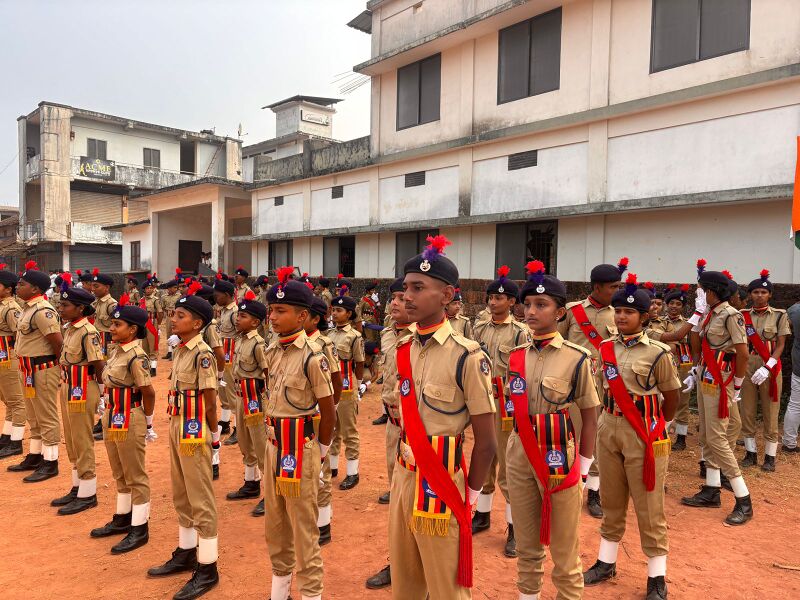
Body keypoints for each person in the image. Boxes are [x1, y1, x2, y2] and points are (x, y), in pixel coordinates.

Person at [389, 234, 496, 600]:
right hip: (404, 475)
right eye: (405, 288)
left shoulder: (468, 357)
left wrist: (469, 494)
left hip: (442, 481)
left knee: (446, 586)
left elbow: (487, 441)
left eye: (418, 288)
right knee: (405, 581)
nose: (407, 296)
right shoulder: (404, 349)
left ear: (447, 296)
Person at [583, 274, 680, 600]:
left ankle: (657, 578)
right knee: (611, 500)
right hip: (609, 427)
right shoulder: (605, 348)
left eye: (629, 311)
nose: (622, 316)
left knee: (649, 508)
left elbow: (672, 397)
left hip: (644, 433)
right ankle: (606, 562)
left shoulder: (658, 353)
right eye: (618, 311)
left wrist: (658, 425)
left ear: (645, 316)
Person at [507, 261, 599, 600]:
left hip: (560, 458)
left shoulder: (577, 358)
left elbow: (590, 416)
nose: (531, 311)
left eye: (541, 305)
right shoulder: (516, 356)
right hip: (519, 453)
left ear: (560, 312)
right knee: (527, 547)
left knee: (564, 551)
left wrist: (585, 468)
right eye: (528, 304)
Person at [263, 268, 335, 600]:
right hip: (274, 446)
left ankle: (310, 595)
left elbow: (328, 408)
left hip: (300, 448)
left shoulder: (313, 357)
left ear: (303, 315)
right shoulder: (273, 350)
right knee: (275, 527)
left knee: (304, 533)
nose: (273, 317)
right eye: (271, 310)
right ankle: (279, 593)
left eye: (281, 311)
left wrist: (319, 451)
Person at [147, 294, 220, 600]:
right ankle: (187, 551)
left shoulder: (202, 354)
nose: (172, 319)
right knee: (181, 492)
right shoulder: (180, 349)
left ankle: (208, 567)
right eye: (173, 313)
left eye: (179, 315)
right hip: (178, 422)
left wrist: (214, 438)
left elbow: (210, 400)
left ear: (197, 323)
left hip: (194, 428)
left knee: (200, 497)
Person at [681, 264, 753, 526]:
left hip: (721, 377)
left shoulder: (731, 315)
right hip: (707, 376)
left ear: (713, 292)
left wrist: (737, 384)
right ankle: (712, 490)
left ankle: (743, 499)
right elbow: (696, 339)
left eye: (703, 291)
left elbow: (742, 352)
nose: (700, 294)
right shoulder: (711, 313)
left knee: (717, 436)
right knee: (706, 435)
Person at [557, 258, 627, 519]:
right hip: (574, 384)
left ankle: (593, 491)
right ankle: (565, 484)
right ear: (597, 287)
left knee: (598, 438)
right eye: (613, 287)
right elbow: (558, 342)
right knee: (571, 433)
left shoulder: (619, 313)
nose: (618, 292)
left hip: (606, 385)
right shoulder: (572, 311)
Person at [471, 265, 530, 557]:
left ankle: (514, 528)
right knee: (484, 459)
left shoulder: (520, 333)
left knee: (508, 466)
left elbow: (524, 372)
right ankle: (482, 516)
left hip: (507, 405)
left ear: (512, 303)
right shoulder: (477, 327)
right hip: (482, 403)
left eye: (501, 298)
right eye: (491, 297)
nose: (494, 302)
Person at [90, 296, 156, 554]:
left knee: (135, 474)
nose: (111, 328)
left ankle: (140, 527)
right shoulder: (116, 351)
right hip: (112, 416)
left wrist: (148, 423)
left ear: (133, 330)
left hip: (130, 416)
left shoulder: (136, 357)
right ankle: (122, 517)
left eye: (117, 325)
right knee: (119, 471)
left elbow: (148, 392)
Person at [366, 276, 413, 591]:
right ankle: (400, 561)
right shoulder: (388, 336)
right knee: (398, 498)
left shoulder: (425, 339)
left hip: (423, 432)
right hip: (395, 425)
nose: (395, 303)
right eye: (392, 297)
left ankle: (416, 564)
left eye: (402, 296)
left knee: (418, 501)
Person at [51, 281, 105, 515]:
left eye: (65, 305)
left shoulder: (88, 332)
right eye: (60, 305)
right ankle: (77, 486)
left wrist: (102, 393)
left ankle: (88, 492)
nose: (60, 309)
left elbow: (98, 364)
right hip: (68, 385)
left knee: (82, 439)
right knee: (72, 439)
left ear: (81, 308)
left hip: (83, 387)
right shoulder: (70, 328)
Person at [7, 261, 63, 482]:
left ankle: (50, 462)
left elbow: (57, 343)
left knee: (47, 415)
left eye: (22, 284)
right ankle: (35, 454)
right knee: (33, 414)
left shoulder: (43, 310)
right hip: (28, 368)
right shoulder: (28, 307)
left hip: (43, 368)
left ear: (36, 289)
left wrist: (58, 370)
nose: (17, 287)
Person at [739, 270, 789, 472]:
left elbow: (781, 344)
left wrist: (768, 366)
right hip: (747, 365)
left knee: (771, 411)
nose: (759, 295)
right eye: (756, 292)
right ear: (750, 295)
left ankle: (770, 456)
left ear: (769, 295)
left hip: (770, 366)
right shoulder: (742, 316)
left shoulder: (779, 315)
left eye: (763, 292)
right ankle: (750, 453)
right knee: (747, 410)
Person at [225, 290, 269, 517]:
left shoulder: (259, 344)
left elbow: (267, 372)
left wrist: (267, 400)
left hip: (255, 398)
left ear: (255, 322)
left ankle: (269, 494)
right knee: (244, 440)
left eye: (242, 316)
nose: (237, 319)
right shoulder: (240, 340)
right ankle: (251, 483)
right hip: (241, 396)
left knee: (260, 444)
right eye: (238, 315)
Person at [304, 296, 343, 544]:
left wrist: (332, 408)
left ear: (315, 318)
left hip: (320, 411)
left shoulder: (324, 343)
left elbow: (336, 379)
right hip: (301, 413)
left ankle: (324, 524)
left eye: (304, 314)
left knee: (321, 468)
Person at [326, 286, 365, 489]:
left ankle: (352, 472)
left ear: (349, 314)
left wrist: (358, 387)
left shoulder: (355, 337)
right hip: (330, 389)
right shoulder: (330, 334)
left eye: (338, 310)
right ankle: (332, 467)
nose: (334, 313)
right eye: (333, 310)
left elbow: (359, 363)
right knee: (332, 429)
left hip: (347, 387)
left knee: (349, 431)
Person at [663, 284, 694, 450]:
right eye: (671, 303)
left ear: (683, 307)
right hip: (664, 363)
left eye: (678, 304)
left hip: (683, 363)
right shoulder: (659, 322)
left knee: (683, 400)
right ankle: (663, 432)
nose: (674, 306)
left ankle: (681, 437)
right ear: (666, 304)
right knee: (663, 398)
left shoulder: (689, 324)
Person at [0, 265, 26, 458]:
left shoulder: (11, 308)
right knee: (8, 399)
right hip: (1, 357)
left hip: (9, 357)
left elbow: (19, 335)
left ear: (8, 289)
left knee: (16, 400)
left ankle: (16, 442)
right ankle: (7, 436)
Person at [213, 277, 239, 443]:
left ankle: (238, 428)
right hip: (222, 355)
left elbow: (241, 335)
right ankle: (225, 421)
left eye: (218, 294)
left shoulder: (235, 312)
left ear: (228, 295)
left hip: (232, 357)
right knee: (222, 391)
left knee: (232, 393)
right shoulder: (224, 311)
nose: (216, 297)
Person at [784, 297, 800, 453]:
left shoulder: (794, 310)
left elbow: (786, 331)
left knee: (795, 404)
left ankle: (789, 442)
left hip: (798, 362)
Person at [91, 269, 118, 359]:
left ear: (107, 287)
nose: (93, 289)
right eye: (92, 286)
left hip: (108, 341)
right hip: (98, 339)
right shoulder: (97, 302)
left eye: (96, 286)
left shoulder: (111, 304)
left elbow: (119, 325)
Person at [140, 275, 163, 376]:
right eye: (147, 288)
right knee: (144, 347)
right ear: (144, 290)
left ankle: (153, 369)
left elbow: (160, 313)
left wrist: (158, 325)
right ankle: (147, 367)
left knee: (153, 347)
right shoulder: (141, 300)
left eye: (151, 288)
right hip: (143, 325)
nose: (149, 290)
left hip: (152, 324)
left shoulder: (155, 300)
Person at [162, 273, 182, 361]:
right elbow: (162, 307)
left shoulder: (179, 296)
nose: (172, 289)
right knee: (168, 333)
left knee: (176, 334)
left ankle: (175, 352)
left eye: (174, 287)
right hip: (168, 317)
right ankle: (169, 352)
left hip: (177, 316)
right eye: (170, 288)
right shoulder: (164, 297)